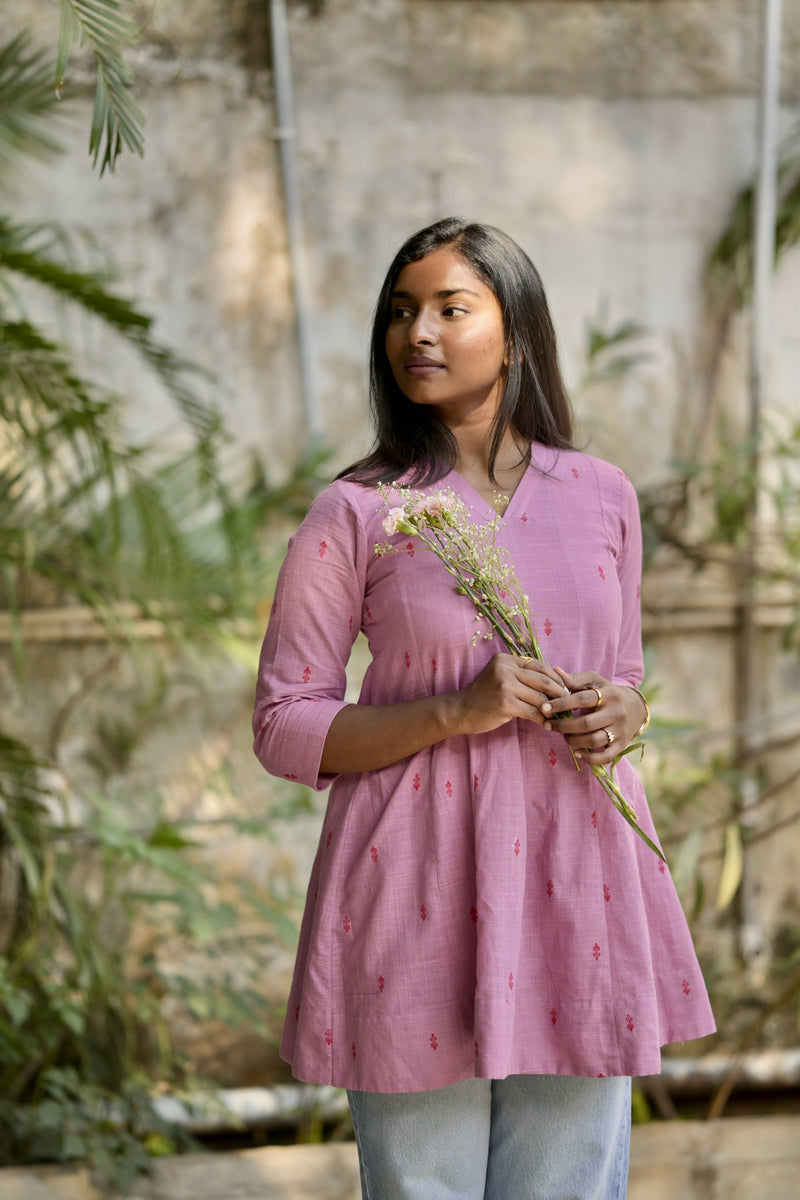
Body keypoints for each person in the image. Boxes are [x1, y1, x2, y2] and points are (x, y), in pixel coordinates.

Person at [253, 218, 715, 1199]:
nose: (415, 332)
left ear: (515, 331)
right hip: (411, 881)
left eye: (448, 308)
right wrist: (452, 711)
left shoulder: (601, 494)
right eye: (398, 311)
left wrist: (620, 712)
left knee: (570, 1185)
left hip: (577, 879)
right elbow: (285, 722)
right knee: (423, 1187)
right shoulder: (357, 510)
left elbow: (625, 669)